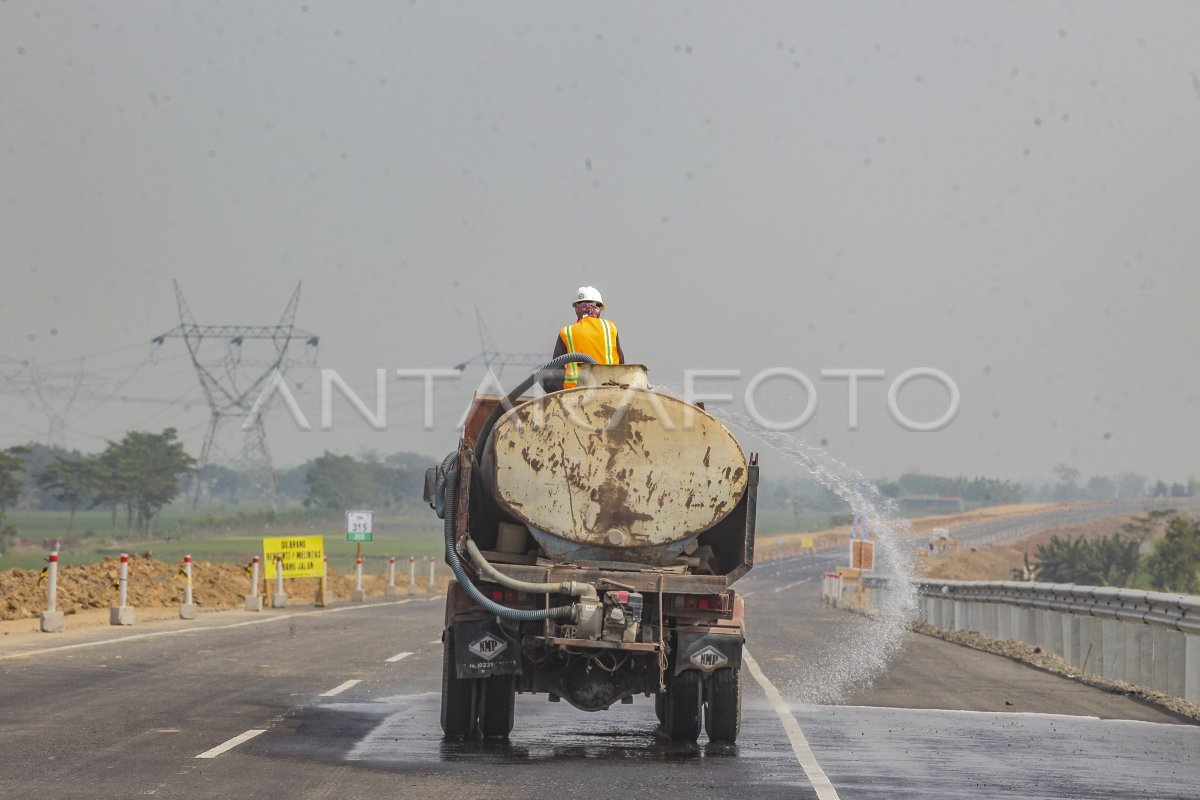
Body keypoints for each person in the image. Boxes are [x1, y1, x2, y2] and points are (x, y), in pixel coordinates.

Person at [541, 285, 625, 392]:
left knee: (544, 372)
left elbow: (555, 366)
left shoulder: (567, 331)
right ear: (598, 308)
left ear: (577, 309)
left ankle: (560, 402)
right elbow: (621, 362)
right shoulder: (610, 327)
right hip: (610, 386)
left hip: (575, 389)